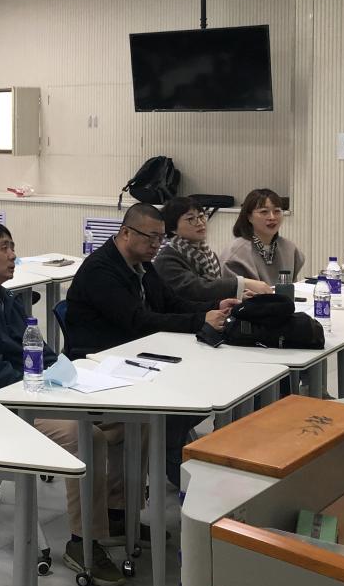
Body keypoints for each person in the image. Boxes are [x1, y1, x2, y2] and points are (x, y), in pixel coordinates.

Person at [0, 219, 132, 586]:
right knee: (84, 436)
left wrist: (68, 376)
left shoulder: (1, 296)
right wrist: (50, 392)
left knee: (128, 420)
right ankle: (83, 543)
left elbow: (40, 351)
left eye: (12, 246)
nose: (13, 255)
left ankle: (116, 515)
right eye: (4, 248)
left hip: (26, 393)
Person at [67, 202, 235, 489]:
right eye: (151, 237)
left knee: (206, 387)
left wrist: (215, 306)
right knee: (185, 396)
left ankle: (171, 448)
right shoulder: (100, 270)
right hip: (100, 365)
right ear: (126, 233)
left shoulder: (142, 264)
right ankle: (170, 454)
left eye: (161, 238)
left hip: (137, 354)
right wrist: (199, 320)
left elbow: (172, 303)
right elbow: (139, 321)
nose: (157, 245)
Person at [154, 197, 271, 304]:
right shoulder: (167, 258)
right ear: (173, 228)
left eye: (201, 216)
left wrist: (237, 296)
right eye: (191, 219)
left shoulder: (208, 254)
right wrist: (241, 283)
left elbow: (212, 292)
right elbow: (196, 290)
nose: (200, 223)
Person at [221, 188, 305, 285]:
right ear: (249, 217)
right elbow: (229, 289)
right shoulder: (236, 251)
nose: (272, 217)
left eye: (277, 211)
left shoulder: (289, 248)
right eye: (264, 212)